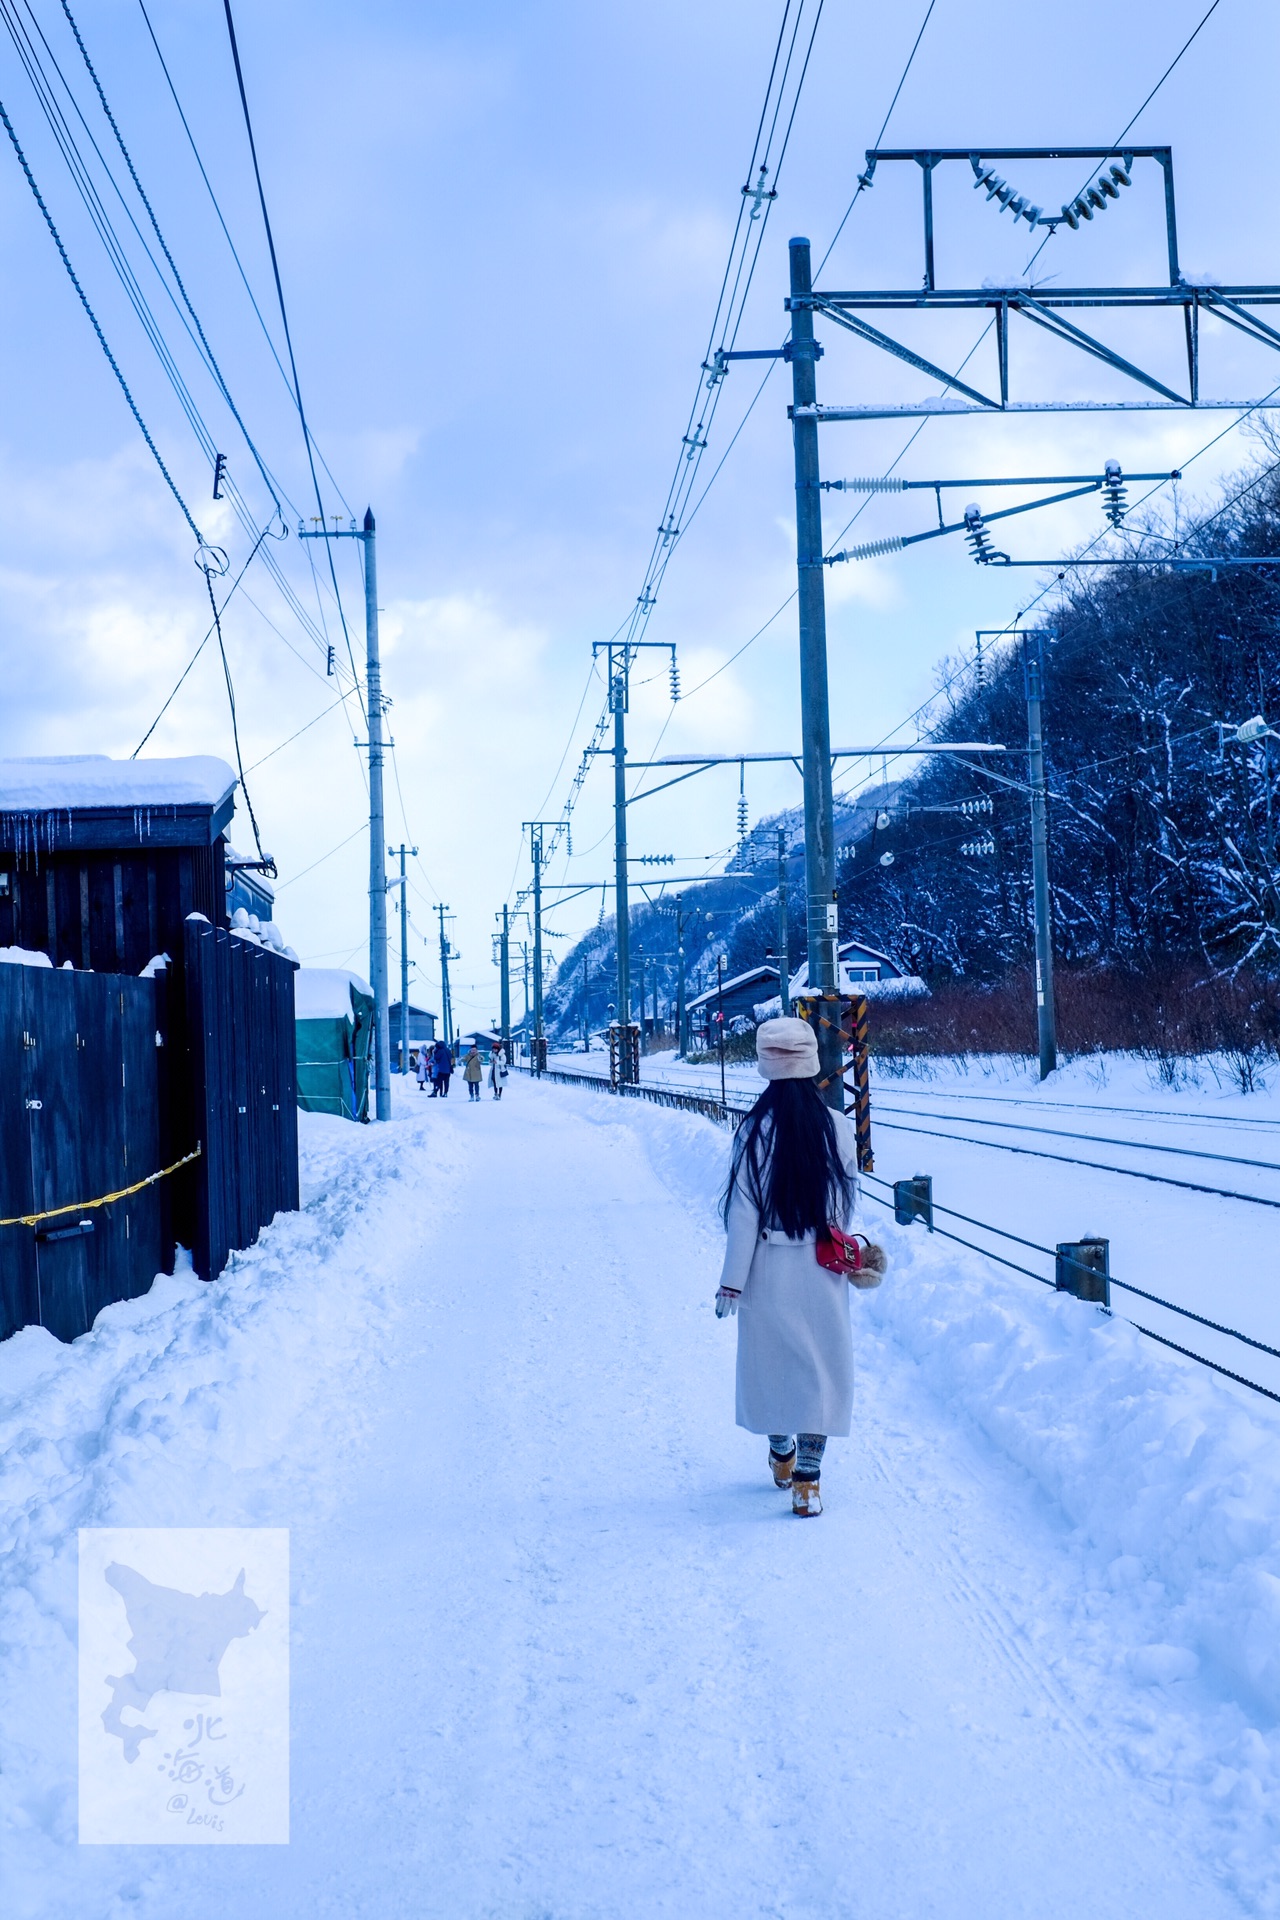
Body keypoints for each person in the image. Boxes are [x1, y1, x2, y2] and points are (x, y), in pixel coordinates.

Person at [714, 1016, 860, 1518]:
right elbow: (845, 1203)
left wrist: (731, 1284)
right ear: (812, 1066)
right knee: (821, 1371)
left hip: (768, 1267)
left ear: (766, 1067)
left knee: (772, 1368)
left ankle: (781, 1451)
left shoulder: (753, 1130)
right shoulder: (837, 1127)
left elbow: (742, 1212)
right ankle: (809, 1481)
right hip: (822, 1268)